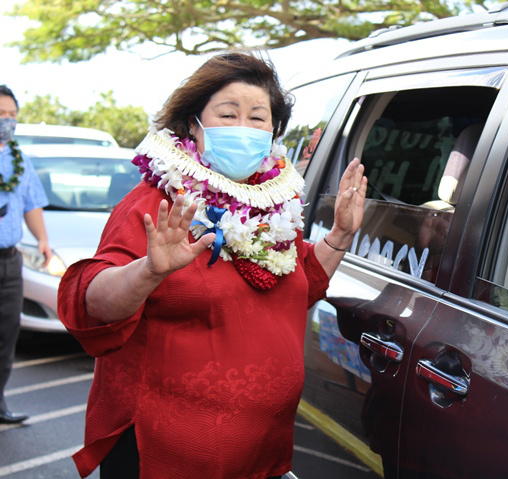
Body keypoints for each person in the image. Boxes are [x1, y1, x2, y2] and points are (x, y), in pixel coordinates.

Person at [57, 51, 367, 479]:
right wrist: (149, 271)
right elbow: (93, 304)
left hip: (261, 454)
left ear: (273, 131)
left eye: (257, 118)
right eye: (228, 114)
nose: (244, 128)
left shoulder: (275, 208)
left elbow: (299, 288)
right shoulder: (158, 203)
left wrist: (341, 236)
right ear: (193, 125)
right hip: (164, 455)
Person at [0, 85, 51, 425]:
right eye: (0, 115)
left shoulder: (19, 158)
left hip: (9, 261)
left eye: (12, 115)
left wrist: (42, 239)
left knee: (6, 334)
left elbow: (31, 204)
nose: (7, 121)